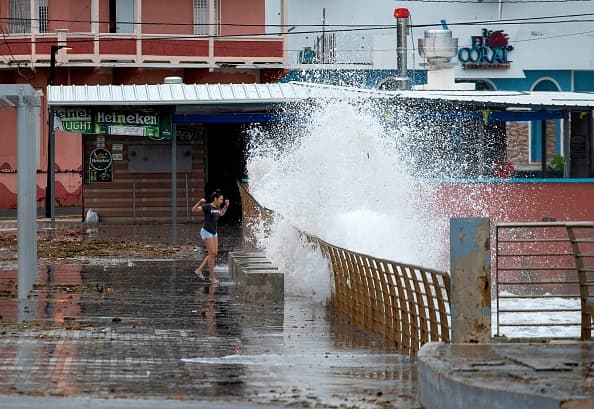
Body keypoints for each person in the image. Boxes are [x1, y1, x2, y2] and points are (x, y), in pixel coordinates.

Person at [192, 189, 229, 284]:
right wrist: (200, 202)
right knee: (212, 254)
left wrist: (226, 206)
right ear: (215, 199)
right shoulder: (207, 206)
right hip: (206, 232)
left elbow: (221, 214)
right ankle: (212, 277)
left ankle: (199, 270)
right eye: (221, 199)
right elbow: (194, 210)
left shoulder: (217, 207)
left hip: (214, 232)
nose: (221, 201)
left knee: (214, 253)